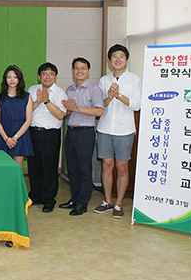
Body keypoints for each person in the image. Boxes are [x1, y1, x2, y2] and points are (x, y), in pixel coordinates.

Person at [94, 44, 141, 219]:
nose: (118, 59)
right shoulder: (103, 80)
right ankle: (107, 201)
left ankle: (119, 203)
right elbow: (100, 105)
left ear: (126, 60)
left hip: (125, 129)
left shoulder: (134, 79)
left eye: (121, 56)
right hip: (105, 128)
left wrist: (119, 95)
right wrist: (109, 97)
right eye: (114, 56)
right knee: (107, 165)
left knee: (122, 167)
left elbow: (137, 105)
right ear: (109, 60)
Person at [60, 57, 104, 216]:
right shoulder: (69, 89)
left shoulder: (94, 89)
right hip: (71, 131)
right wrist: (68, 109)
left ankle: (82, 203)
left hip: (85, 133)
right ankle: (74, 198)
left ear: (88, 71)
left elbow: (99, 111)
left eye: (83, 68)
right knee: (72, 169)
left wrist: (76, 108)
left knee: (84, 169)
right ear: (73, 71)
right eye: (77, 68)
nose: (79, 71)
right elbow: (68, 112)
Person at [27, 62, 67, 213]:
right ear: (39, 76)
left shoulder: (60, 93)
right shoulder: (32, 89)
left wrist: (47, 101)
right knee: (34, 167)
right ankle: (35, 196)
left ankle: (49, 200)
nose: (47, 77)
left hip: (50, 134)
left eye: (51, 74)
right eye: (44, 74)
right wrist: (38, 101)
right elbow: (26, 110)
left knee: (49, 168)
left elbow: (60, 115)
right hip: (33, 132)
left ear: (55, 77)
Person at [0, 65, 34, 166]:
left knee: (17, 168)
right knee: (2, 168)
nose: (12, 80)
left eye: (15, 77)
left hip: (20, 135)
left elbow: (28, 121)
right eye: (9, 77)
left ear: (19, 79)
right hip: (3, 134)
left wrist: (15, 138)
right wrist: (6, 138)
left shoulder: (27, 97)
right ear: (5, 79)